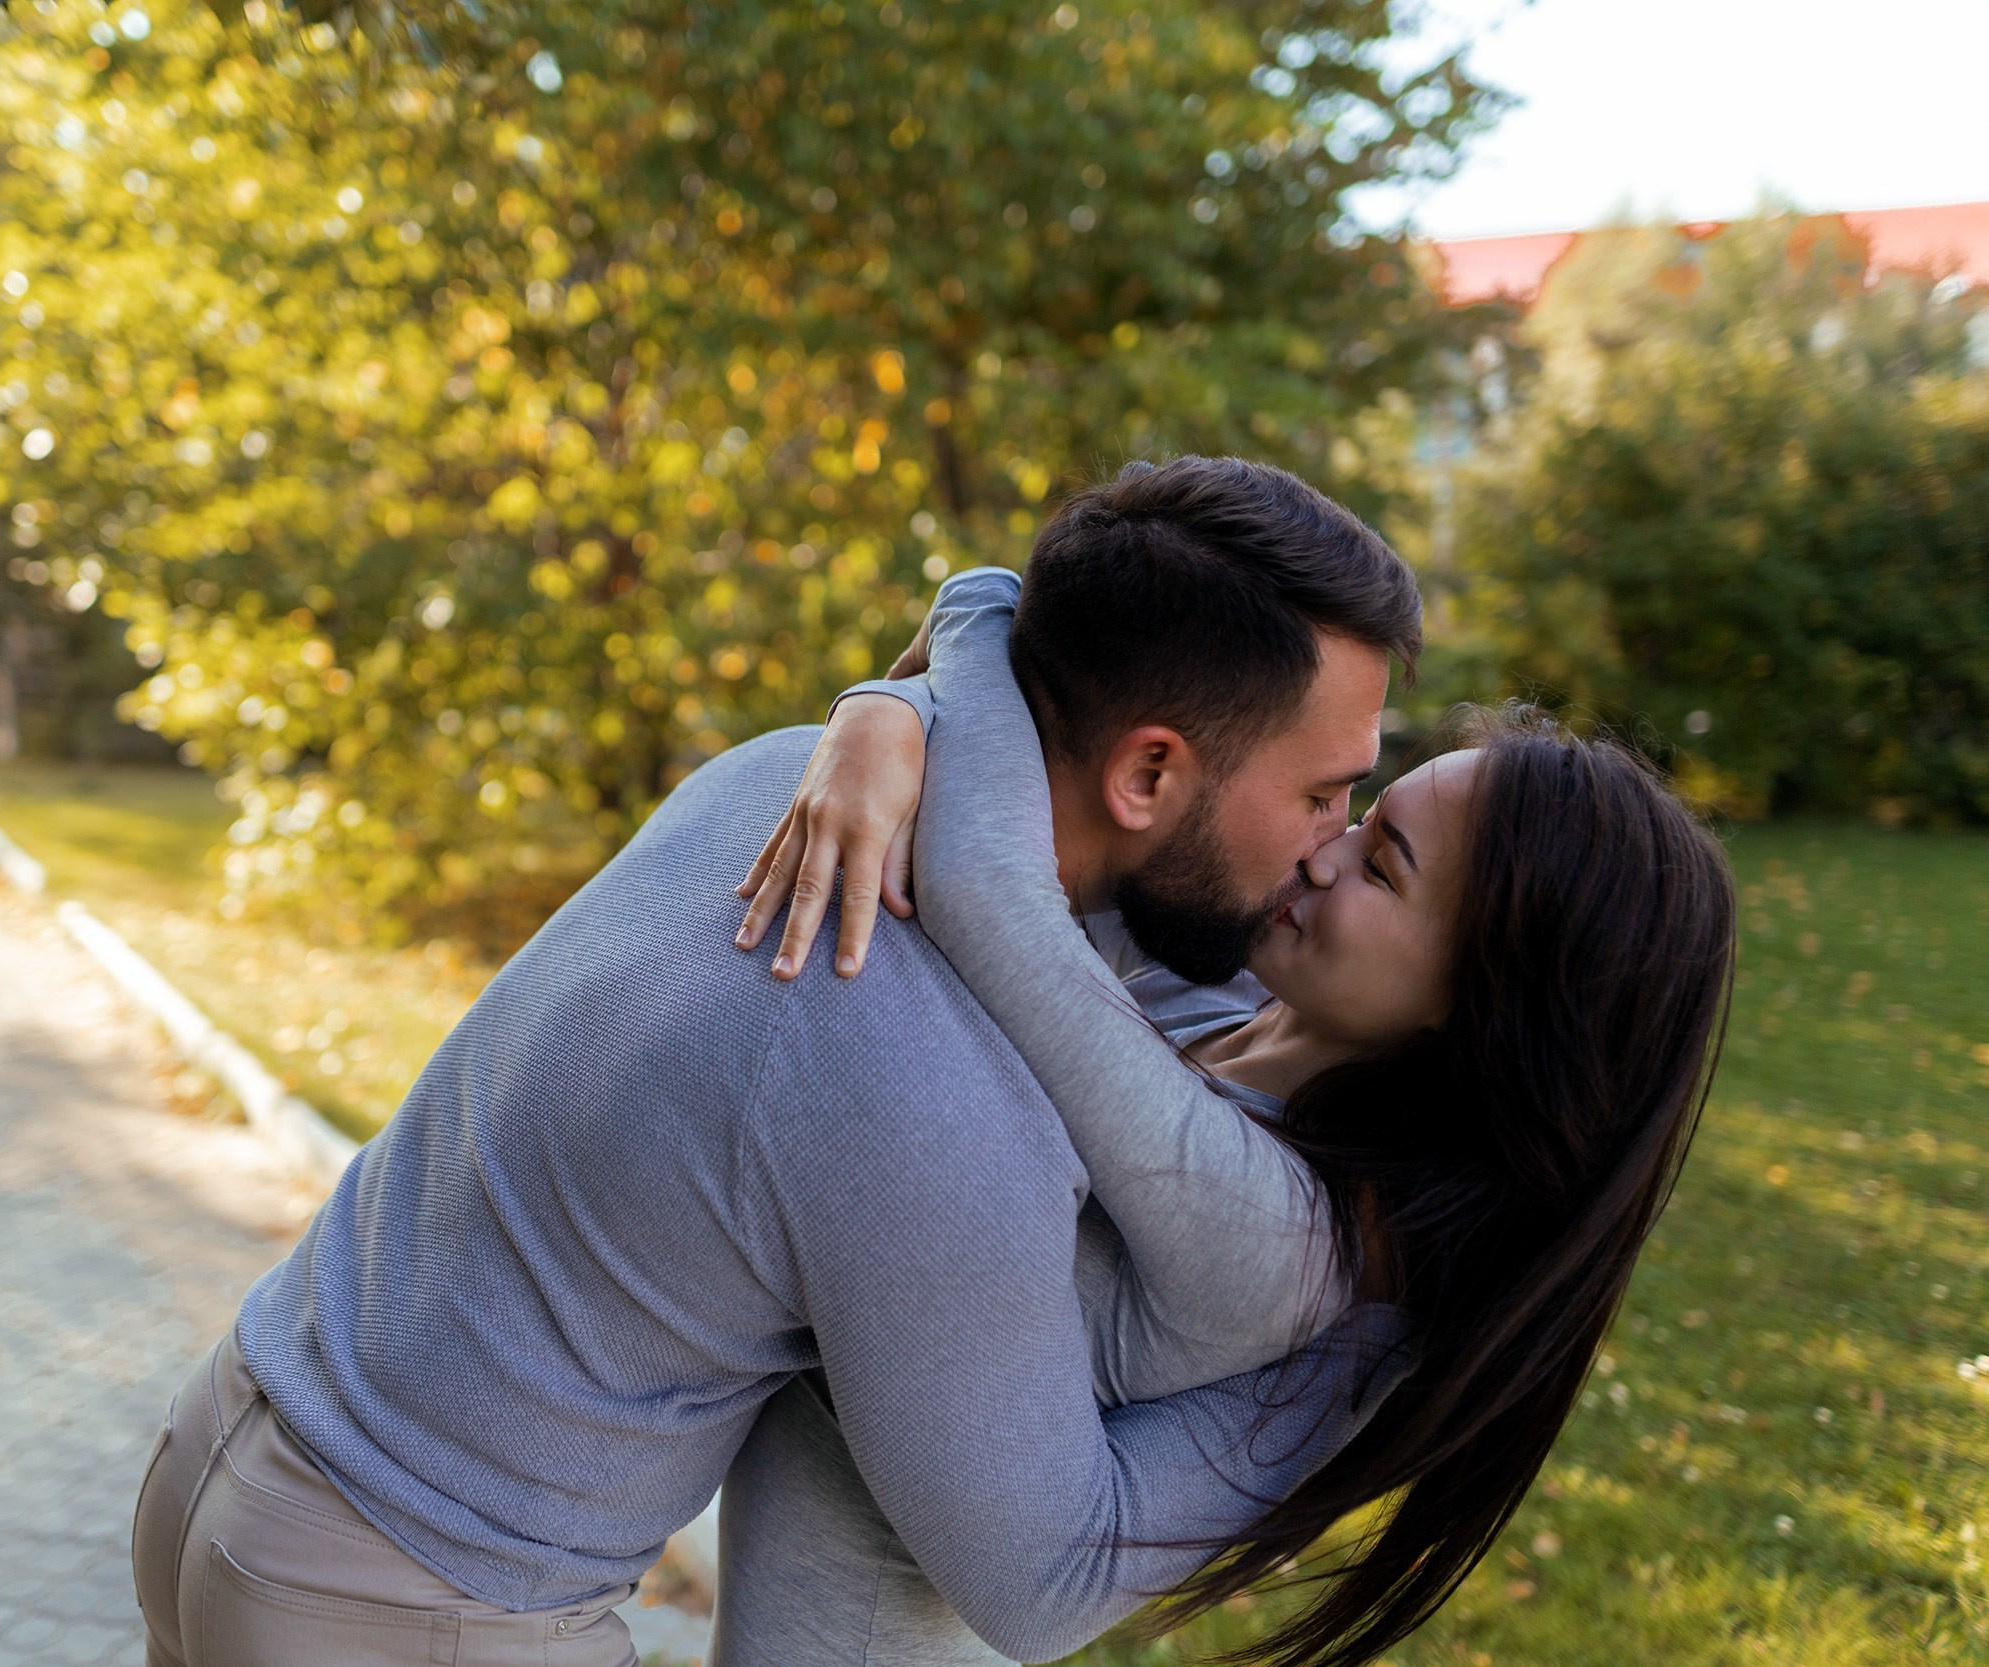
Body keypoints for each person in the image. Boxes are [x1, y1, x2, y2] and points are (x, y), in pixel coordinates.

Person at [129, 456, 1428, 1666]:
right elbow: (1046, 1571)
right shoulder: (943, 1099)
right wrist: (1386, 1349)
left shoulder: (789, 775)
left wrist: (916, 677)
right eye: (1324, 793)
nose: (1328, 842)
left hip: (230, 1436)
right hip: (413, 1599)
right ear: (1149, 770)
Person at [724, 468, 1736, 1665]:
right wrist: (886, 714)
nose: (1319, 853)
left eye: (1384, 866)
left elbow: (988, 883)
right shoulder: (1211, 996)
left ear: (1483, 1009)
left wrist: (947, 641)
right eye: (1354, 806)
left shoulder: (1285, 1236)